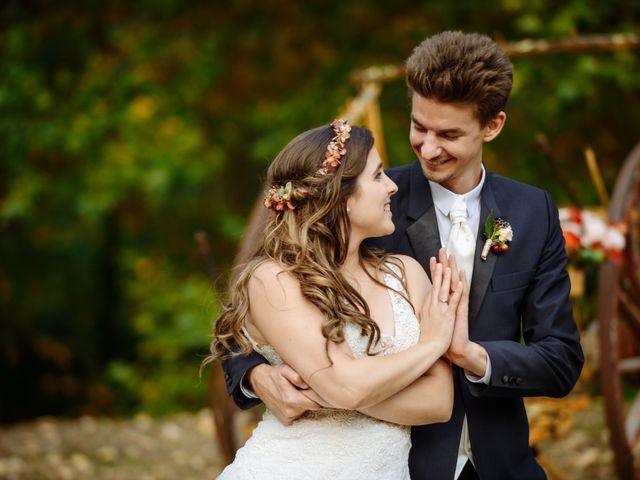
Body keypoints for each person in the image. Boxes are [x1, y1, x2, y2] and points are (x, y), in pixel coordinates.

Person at [223, 31, 584, 479]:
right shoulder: (363, 201)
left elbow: (561, 359)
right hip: (403, 465)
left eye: (448, 134)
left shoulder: (533, 212)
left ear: (492, 126)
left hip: (503, 465)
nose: (429, 148)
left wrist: (473, 356)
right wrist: (256, 375)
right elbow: (252, 316)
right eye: (419, 128)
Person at [206, 120, 469, 479]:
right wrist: (432, 343)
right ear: (340, 197)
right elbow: (346, 386)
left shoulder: (406, 273)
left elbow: (439, 402)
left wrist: (339, 392)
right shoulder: (273, 280)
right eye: (378, 176)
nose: (392, 186)